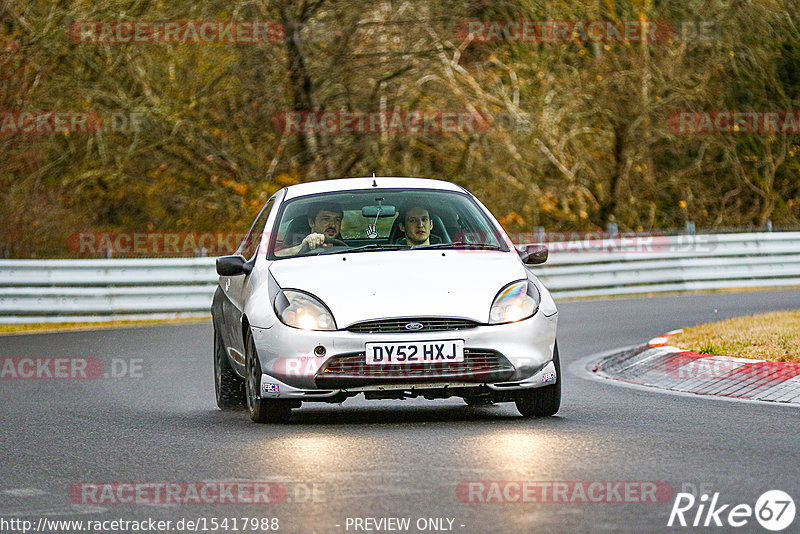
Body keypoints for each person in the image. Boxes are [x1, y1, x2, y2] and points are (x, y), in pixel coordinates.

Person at [276, 202, 344, 257]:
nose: (333, 225)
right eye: (326, 219)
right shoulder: (297, 247)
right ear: (311, 222)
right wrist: (303, 247)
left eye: (337, 220)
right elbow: (276, 255)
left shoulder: (347, 250)